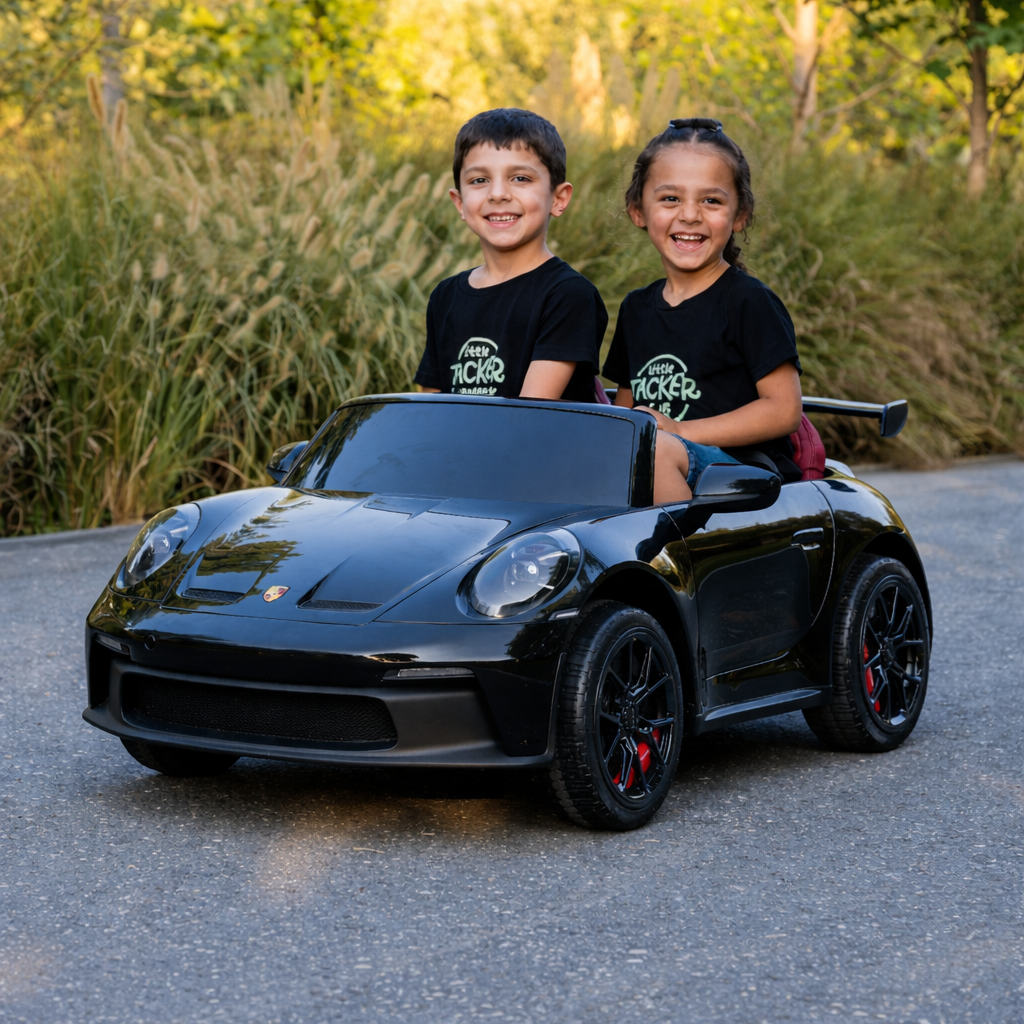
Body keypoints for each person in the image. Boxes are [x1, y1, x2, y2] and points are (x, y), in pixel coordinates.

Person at [602, 118, 804, 503]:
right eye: (670, 199)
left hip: (739, 471)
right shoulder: (636, 308)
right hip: (663, 460)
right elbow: (626, 416)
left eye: (711, 201)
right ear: (638, 211)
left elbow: (784, 410)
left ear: (740, 214)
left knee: (654, 451)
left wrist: (680, 431)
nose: (690, 215)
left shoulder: (749, 302)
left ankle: (677, 545)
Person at [415, 108, 606, 402]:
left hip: (534, 433)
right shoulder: (445, 297)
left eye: (520, 178)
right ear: (459, 203)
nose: (498, 194)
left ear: (558, 198)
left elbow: (530, 413)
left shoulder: (568, 295)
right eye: (479, 180)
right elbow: (430, 409)